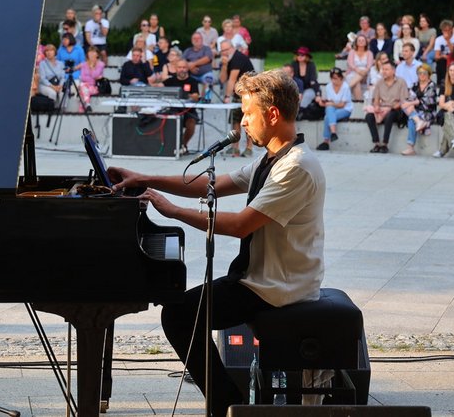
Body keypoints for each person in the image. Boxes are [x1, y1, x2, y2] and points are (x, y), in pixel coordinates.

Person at [107, 69, 325, 417]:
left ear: (271, 114)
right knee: (181, 313)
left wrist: (173, 211)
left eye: (247, 113)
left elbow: (241, 225)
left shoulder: (295, 167)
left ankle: (227, 404)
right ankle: (227, 402)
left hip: (277, 288)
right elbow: (212, 184)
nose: (242, 123)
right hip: (261, 280)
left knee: (178, 315)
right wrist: (145, 177)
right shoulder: (273, 157)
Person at [363, 59, 408, 153]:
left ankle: (385, 144)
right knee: (369, 116)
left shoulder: (401, 82)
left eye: (387, 69)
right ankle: (376, 143)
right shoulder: (379, 82)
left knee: (390, 115)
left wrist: (395, 106)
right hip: (382, 108)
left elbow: (404, 101)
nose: (384, 71)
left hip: (396, 109)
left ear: (393, 71)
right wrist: (376, 106)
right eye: (383, 69)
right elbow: (376, 100)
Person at [220, 41, 256, 156]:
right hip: (238, 93)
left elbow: (232, 79)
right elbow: (222, 79)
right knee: (235, 120)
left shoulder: (238, 58)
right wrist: (225, 66)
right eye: (222, 51)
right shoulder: (228, 59)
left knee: (248, 122)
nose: (224, 53)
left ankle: (249, 148)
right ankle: (235, 147)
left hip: (249, 93)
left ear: (232, 48)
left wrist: (227, 96)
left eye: (226, 50)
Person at [163, 59, 200, 153]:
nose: (182, 69)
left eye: (184, 67)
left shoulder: (193, 81)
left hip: (188, 111)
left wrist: (186, 95)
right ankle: (169, 145)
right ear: (176, 69)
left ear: (187, 69)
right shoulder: (169, 81)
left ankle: (182, 144)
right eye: (180, 67)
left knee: (191, 122)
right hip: (173, 110)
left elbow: (196, 96)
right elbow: (159, 89)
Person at [400, 64, 438, 155]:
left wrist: (412, 103)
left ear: (429, 74)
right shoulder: (415, 85)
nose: (422, 75)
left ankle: (410, 147)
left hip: (428, 112)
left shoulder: (432, 85)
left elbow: (428, 101)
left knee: (411, 118)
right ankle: (419, 122)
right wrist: (412, 103)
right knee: (404, 105)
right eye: (419, 73)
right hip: (416, 111)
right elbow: (410, 98)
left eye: (424, 73)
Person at [315, 67, 353, 151]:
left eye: (335, 78)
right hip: (333, 109)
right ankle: (333, 133)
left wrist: (330, 104)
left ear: (341, 78)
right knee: (328, 113)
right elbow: (330, 100)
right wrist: (323, 103)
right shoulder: (329, 86)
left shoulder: (345, 87)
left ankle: (326, 141)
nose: (333, 80)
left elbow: (343, 105)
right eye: (332, 78)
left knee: (328, 116)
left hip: (345, 109)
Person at [345, 34, 373, 101]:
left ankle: (345, 89)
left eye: (363, 40)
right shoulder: (352, 52)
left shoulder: (369, 53)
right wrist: (358, 70)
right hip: (353, 73)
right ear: (356, 42)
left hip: (365, 74)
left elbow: (369, 65)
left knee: (363, 70)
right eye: (359, 40)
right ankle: (359, 103)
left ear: (366, 42)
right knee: (356, 83)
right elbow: (350, 64)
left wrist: (364, 71)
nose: (361, 41)